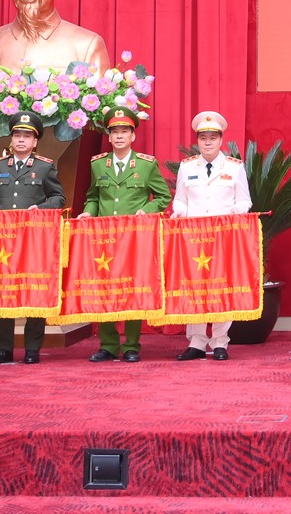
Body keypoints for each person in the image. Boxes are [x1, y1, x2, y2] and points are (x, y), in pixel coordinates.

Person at [79, 108, 171, 362]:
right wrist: (88, 212)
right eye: (115, 132)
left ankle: (131, 345)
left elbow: (163, 196)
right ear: (109, 137)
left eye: (124, 131)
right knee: (105, 288)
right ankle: (108, 345)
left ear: (133, 136)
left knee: (133, 287)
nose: (119, 136)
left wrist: (146, 211)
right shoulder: (98, 164)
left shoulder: (146, 164)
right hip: (104, 238)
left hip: (135, 238)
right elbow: (93, 197)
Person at [0, 112, 65, 364]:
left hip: (33, 239)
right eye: (17, 135)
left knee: (34, 289)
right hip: (4, 239)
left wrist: (41, 208)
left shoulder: (44, 166)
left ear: (35, 141)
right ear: (11, 138)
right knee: (4, 290)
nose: (20, 140)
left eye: (26, 136)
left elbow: (59, 198)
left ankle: (32, 348)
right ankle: (4, 348)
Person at [171, 111, 252, 361]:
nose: (208, 142)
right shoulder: (187, 167)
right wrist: (179, 212)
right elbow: (180, 200)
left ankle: (220, 342)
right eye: (203, 138)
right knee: (194, 286)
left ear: (221, 140)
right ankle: (196, 342)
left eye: (213, 138)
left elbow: (244, 200)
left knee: (221, 286)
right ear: (197, 140)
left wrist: (236, 212)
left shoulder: (234, 167)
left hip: (223, 237)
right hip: (193, 238)